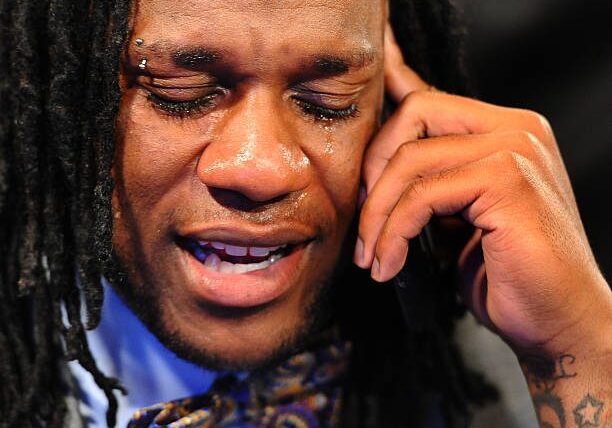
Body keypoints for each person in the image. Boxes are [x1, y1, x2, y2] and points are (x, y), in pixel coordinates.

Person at [1, 0, 610, 427]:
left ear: (393, 100)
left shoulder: (511, 380)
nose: (259, 168)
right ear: (62, 88)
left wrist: (579, 352)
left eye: (328, 102)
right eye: (178, 91)